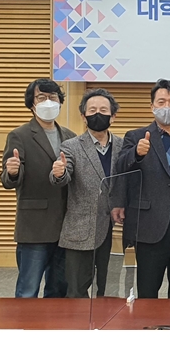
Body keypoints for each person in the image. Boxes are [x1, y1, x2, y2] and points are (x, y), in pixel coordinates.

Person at [112, 80, 170, 298]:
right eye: (161, 102)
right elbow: (121, 167)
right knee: (148, 289)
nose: (167, 107)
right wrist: (136, 153)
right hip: (150, 224)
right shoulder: (135, 136)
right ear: (152, 106)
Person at [1, 79, 76, 298]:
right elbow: (8, 180)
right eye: (41, 97)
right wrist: (13, 172)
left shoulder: (70, 136)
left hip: (65, 227)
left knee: (58, 290)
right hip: (34, 228)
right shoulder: (19, 135)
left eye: (53, 97)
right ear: (32, 104)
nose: (48, 102)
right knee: (28, 290)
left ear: (60, 102)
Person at [54, 89, 123, 298]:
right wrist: (59, 173)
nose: (97, 114)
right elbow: (64, 174)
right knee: (77, 292)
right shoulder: (71, 146)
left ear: (113, 116)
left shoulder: (122, 145)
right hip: (81, 230)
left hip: (115, 229)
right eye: (92, 110)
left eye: (103, 110)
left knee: (110, 291)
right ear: (83, 116)